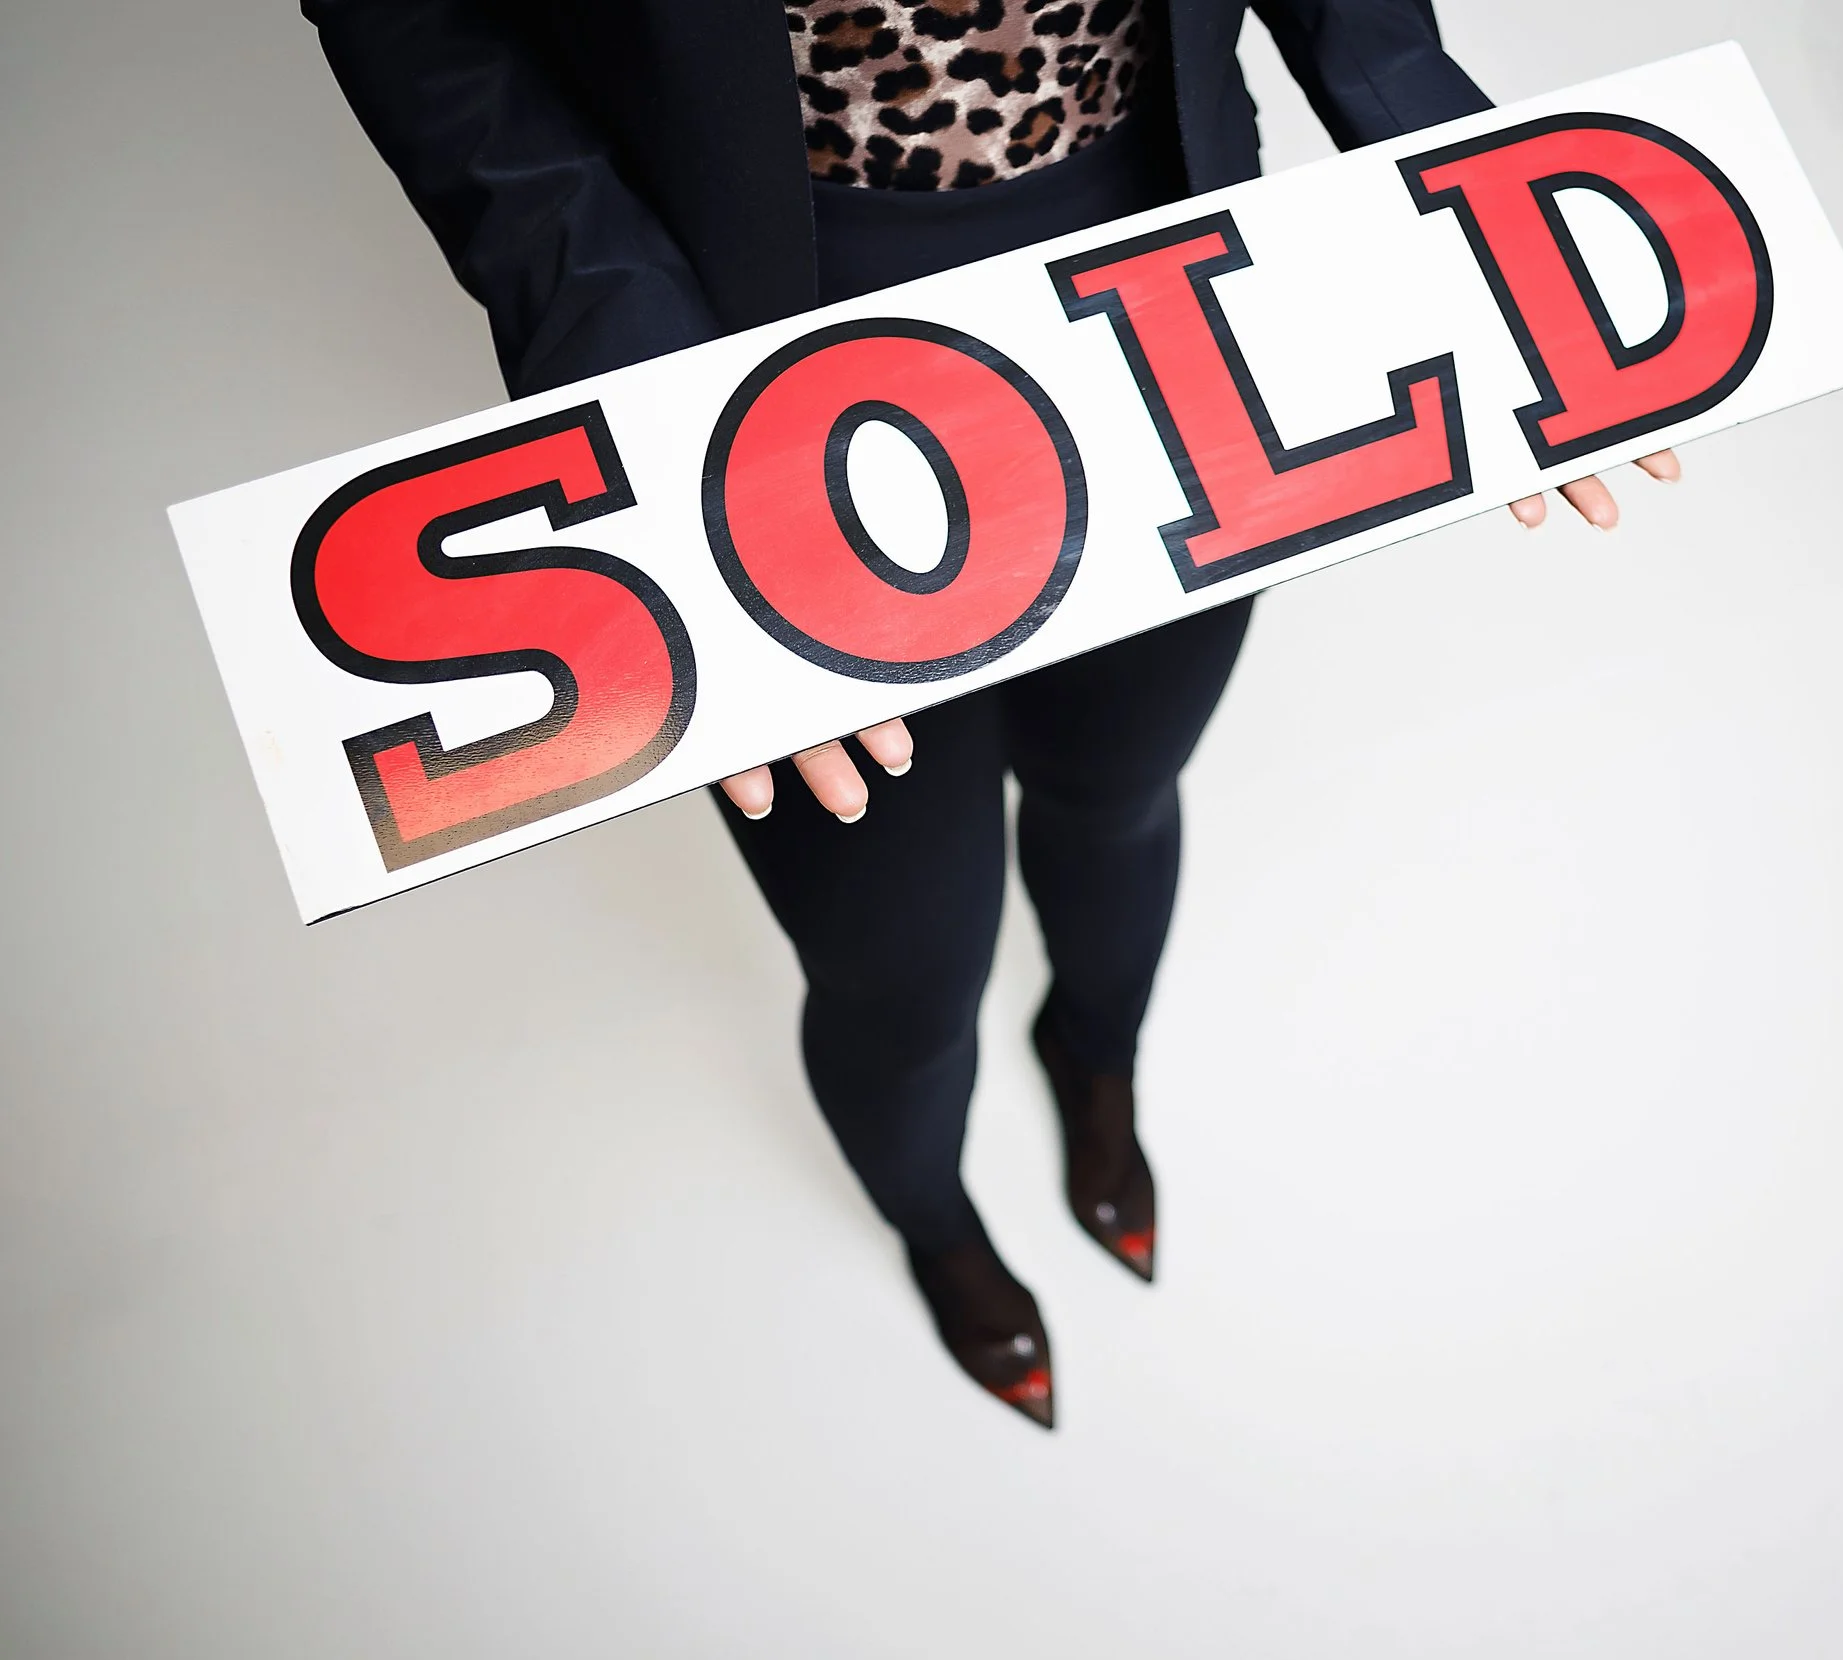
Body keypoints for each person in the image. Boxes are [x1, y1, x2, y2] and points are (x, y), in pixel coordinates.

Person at [306, 0, 1675, 1428]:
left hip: (1164, 265)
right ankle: (935, 1221)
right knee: (899, 959)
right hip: (752, 326)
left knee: (1123, 781)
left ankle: (1094, 1057)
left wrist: (1426, 131)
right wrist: (637, 369)